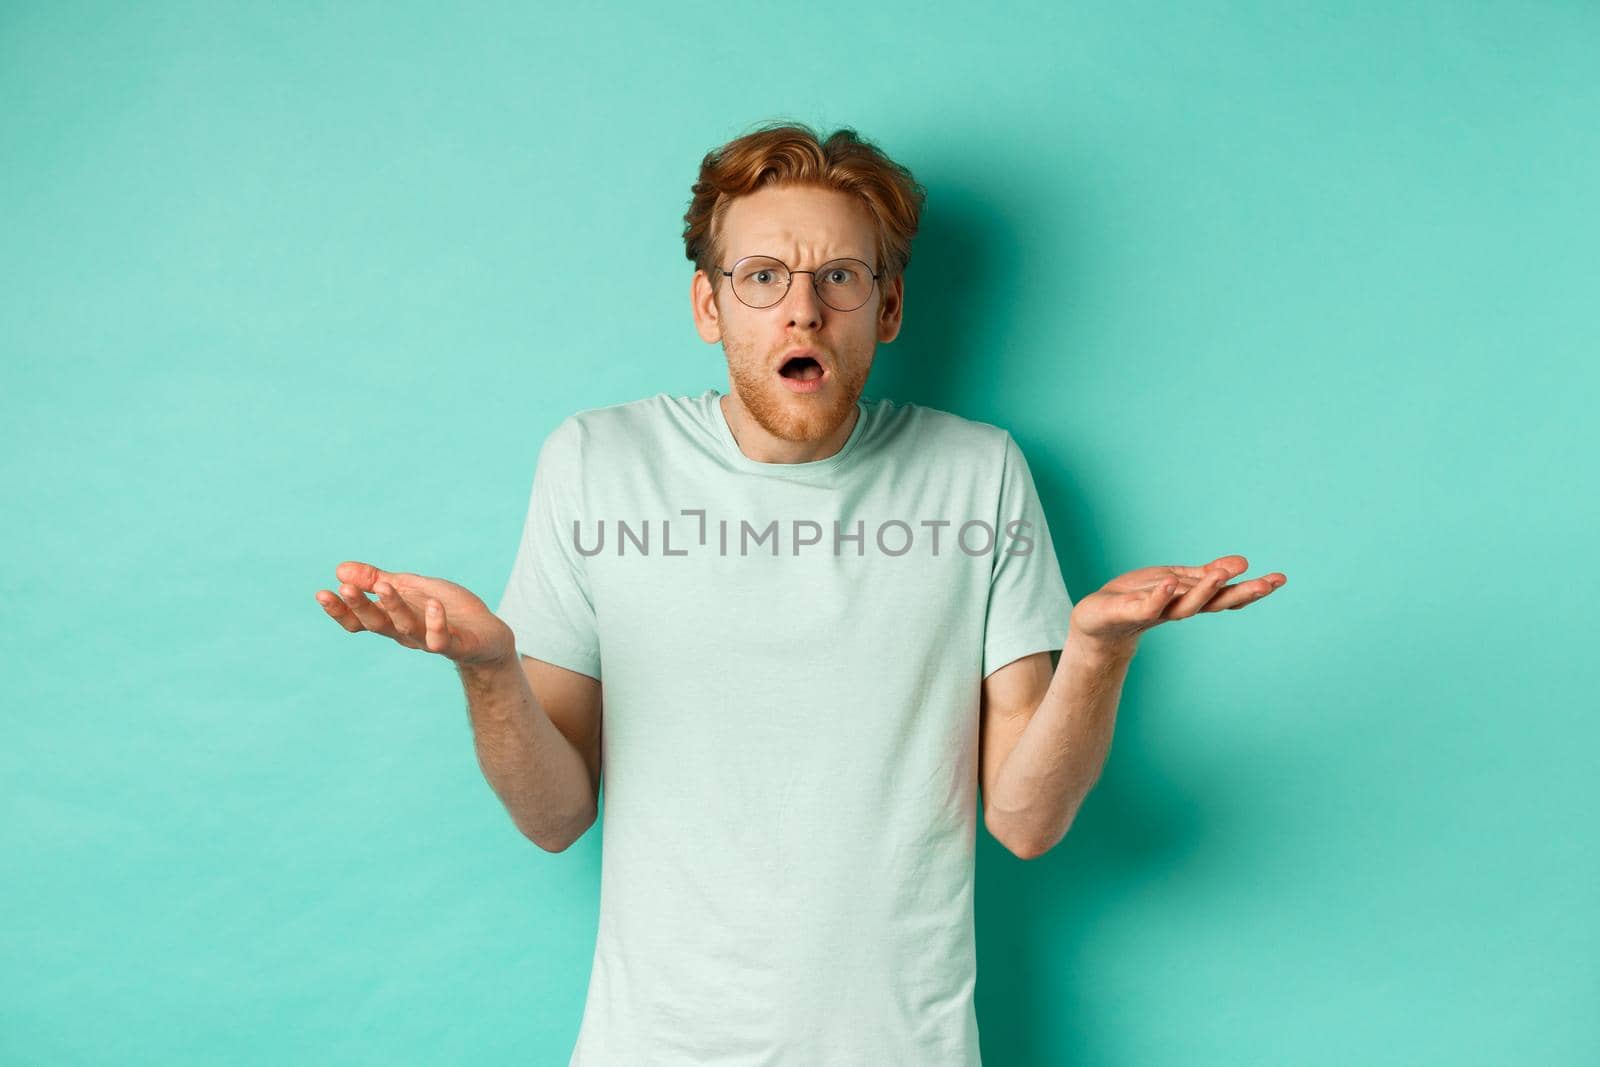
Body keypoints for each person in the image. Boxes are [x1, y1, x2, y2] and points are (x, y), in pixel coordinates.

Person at [315, 120, 1286, 1066]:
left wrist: (1098, 652)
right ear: (709, 305)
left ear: (889, 306)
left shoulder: (976, 473)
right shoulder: (597, 464)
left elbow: (1025, 823)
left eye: (839, 277)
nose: (802, 310)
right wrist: (488, 668)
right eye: (762, 276)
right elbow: (552, 814)